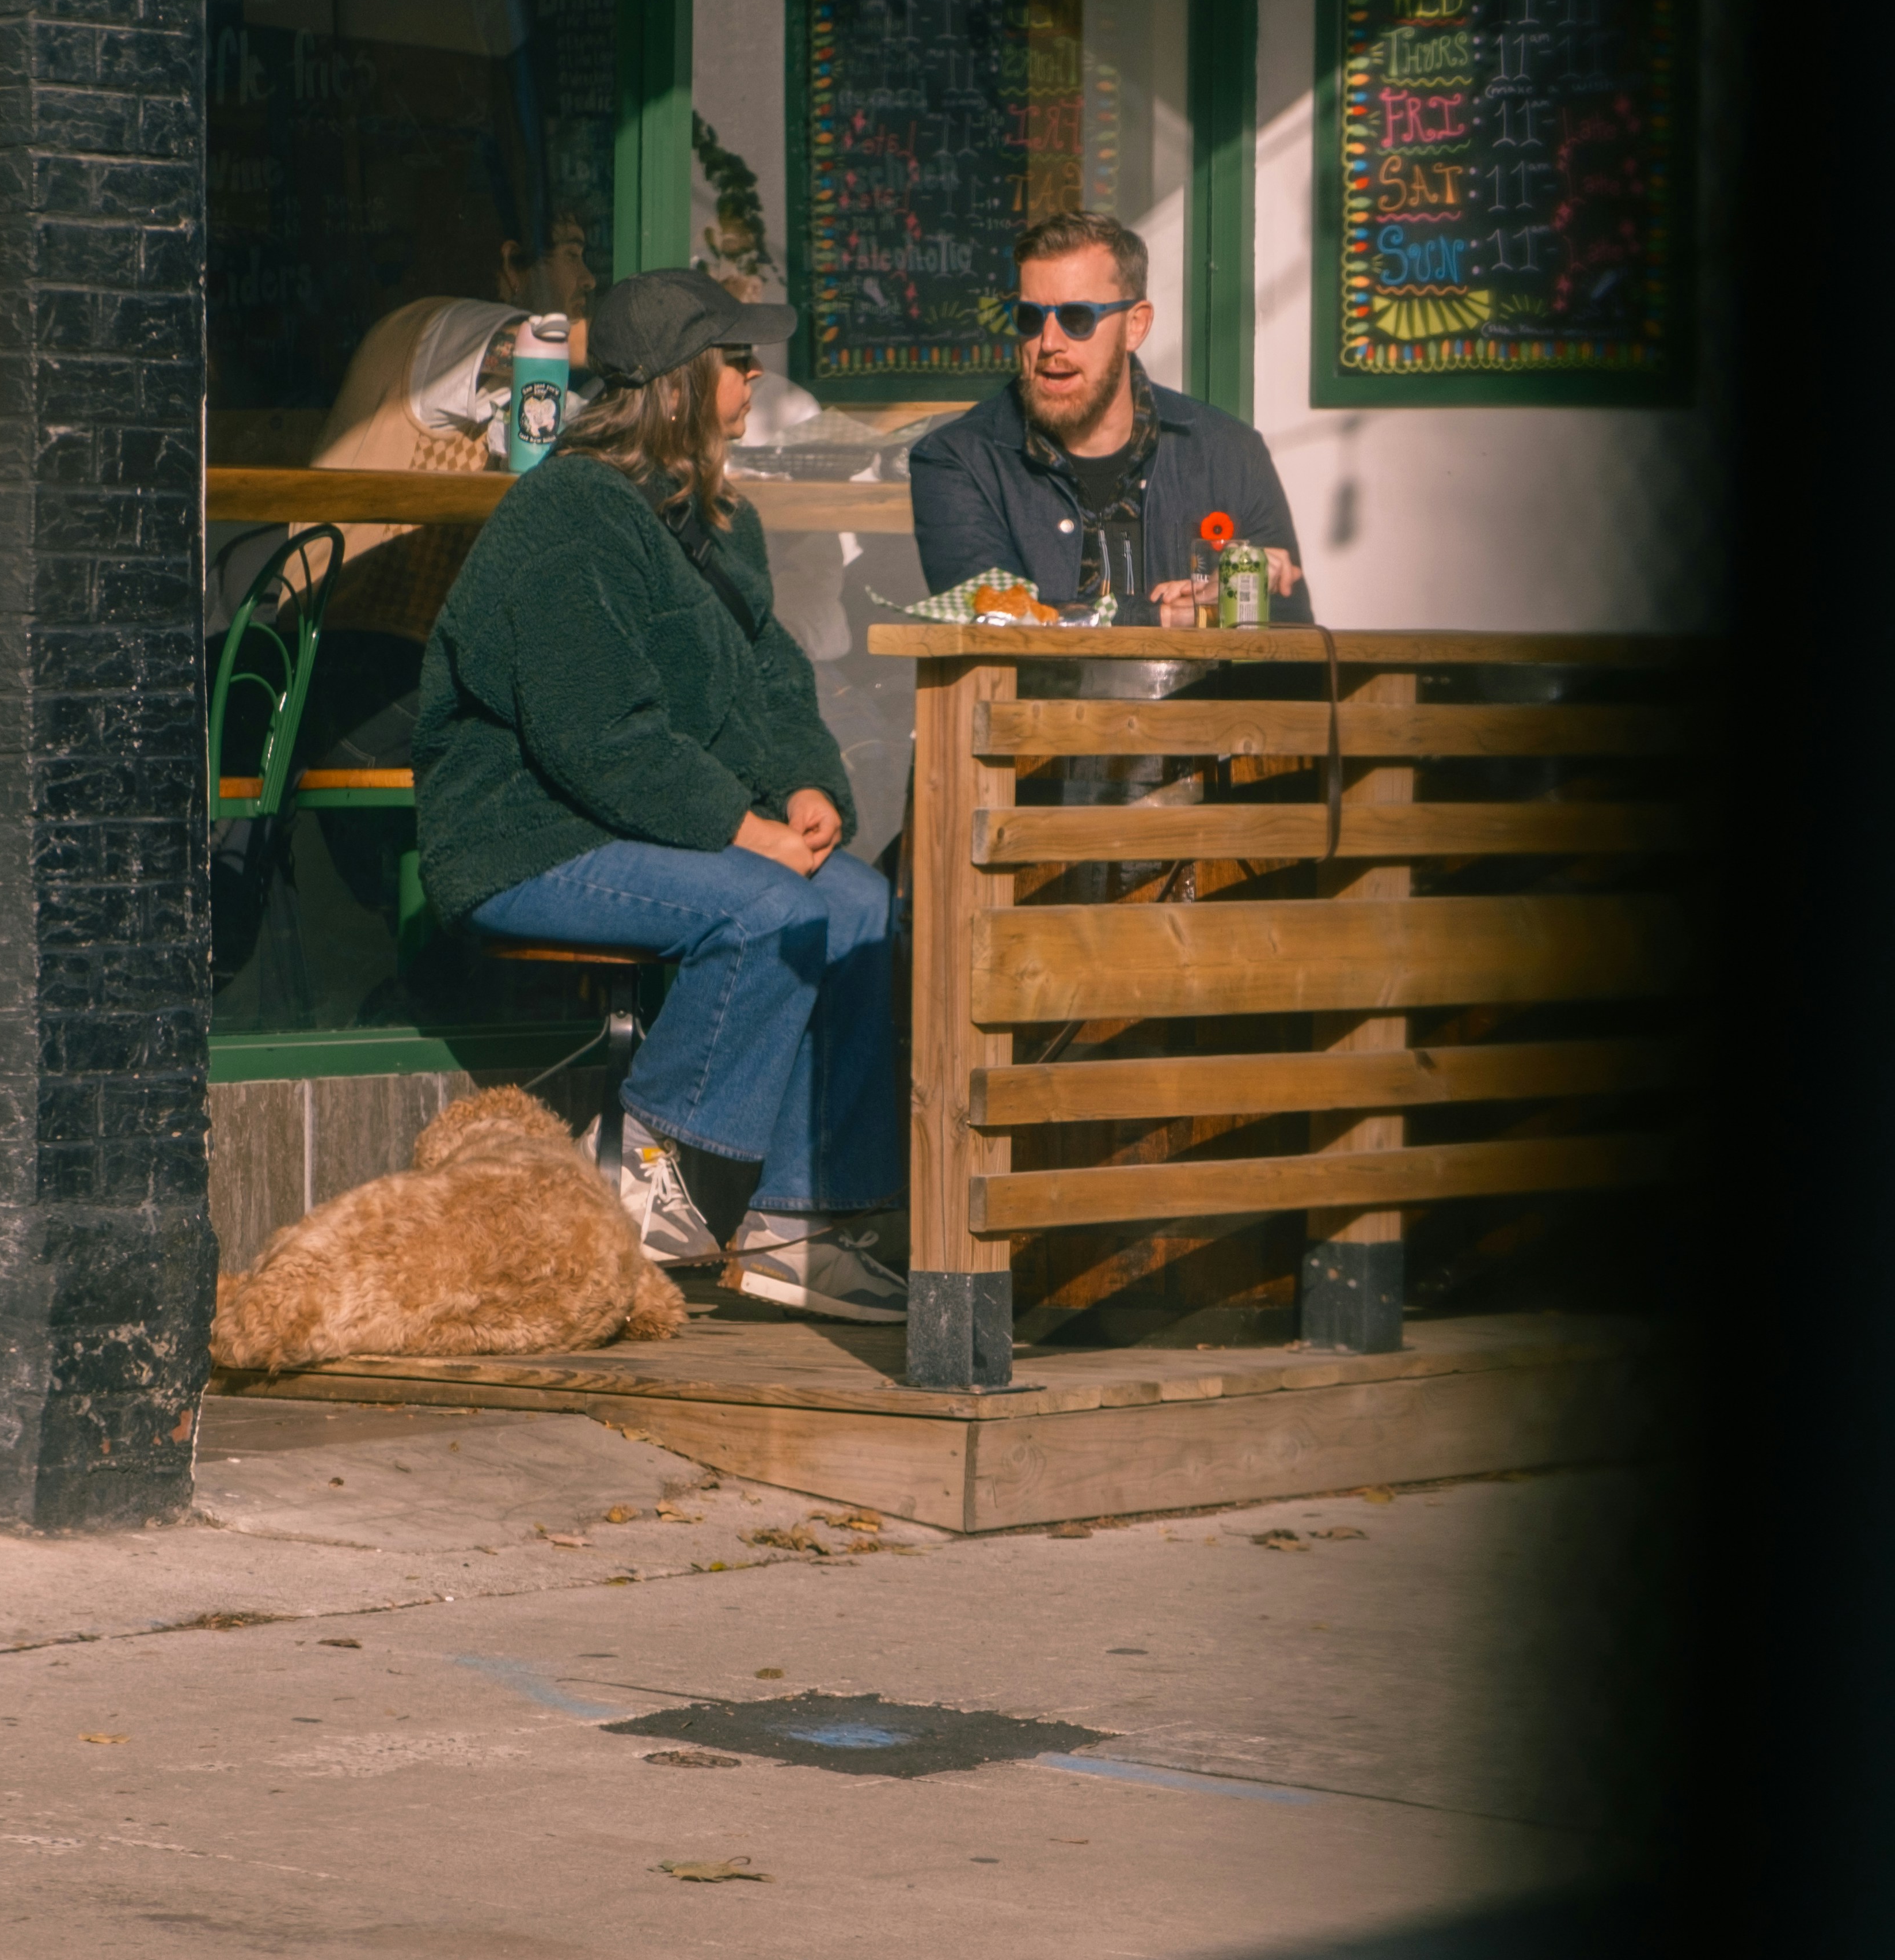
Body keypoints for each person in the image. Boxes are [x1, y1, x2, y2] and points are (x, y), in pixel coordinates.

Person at [412, 270, 906, 1323]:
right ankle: (649, 1176)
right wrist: (743, 831)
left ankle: (799, 1226)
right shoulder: (566, 513)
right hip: (526, 833)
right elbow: (594, 734)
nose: (754, 373)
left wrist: (807, 785)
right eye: (735, 358)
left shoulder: (722, 524)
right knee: (767, 904)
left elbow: (770, 681)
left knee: (860, 905)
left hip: (644, 827)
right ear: (677, 384)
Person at [907, 210, 1310, 622]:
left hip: (1198, 691)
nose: (1048, 343)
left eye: (1077, 318)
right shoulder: (957, 460)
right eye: (1030, 318)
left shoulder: (1229, 453)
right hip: (1033, 691)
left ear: (1135, 326)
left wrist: (1237, 595)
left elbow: (1291, 636)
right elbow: (995, 619)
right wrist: (1169, 619)